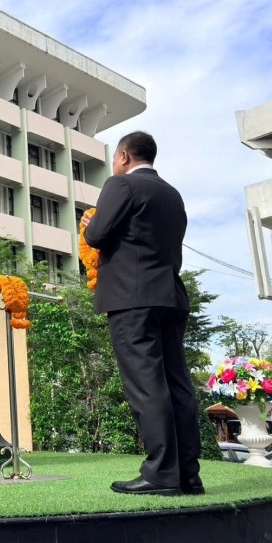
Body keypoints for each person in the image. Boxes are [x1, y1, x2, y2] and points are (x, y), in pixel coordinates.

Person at [81, 131, 203, 496]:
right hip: (170, 294)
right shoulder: (172, 194)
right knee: (176, 383)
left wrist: (90, 226)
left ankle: (161, 474)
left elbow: (97, 235)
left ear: (123, 156)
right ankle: (187, 474)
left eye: (115, 159)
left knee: (146, 384)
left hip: (132, 299)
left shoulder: (121, 185)